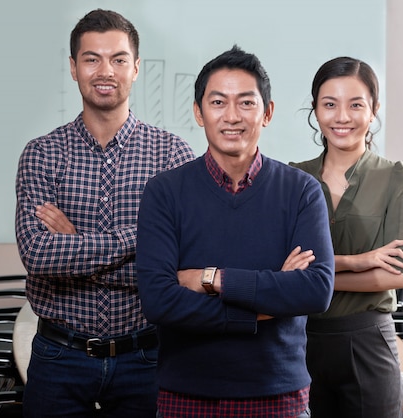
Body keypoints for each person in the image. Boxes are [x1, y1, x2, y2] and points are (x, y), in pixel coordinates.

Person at [136, 45, 335, 418]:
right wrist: (265, 303)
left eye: (246, 103)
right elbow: (158, 300)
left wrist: (211, 278)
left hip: (279, 394)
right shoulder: (164, 192)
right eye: (217, 103)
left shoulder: (301, 191)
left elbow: (315, 290)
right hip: (187, 393)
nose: (232, 117)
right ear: (198, 112)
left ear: (268, 112)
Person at [14, 9, 195, 418]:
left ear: (135, 68)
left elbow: (182, 268)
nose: (104, 71)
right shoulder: (42, 154)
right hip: (59, 356)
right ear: (74, 68)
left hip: (147, 357)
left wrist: (74, 242)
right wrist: (141, 238)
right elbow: (39, 257)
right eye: (91, 58)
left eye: (117, 59)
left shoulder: (172, 155)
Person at [290, 56, 403, 418]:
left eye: (356, 105)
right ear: (315, 110)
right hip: (298, 341)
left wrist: (315, 277)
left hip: (366, 341)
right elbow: (279, 266)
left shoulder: (399, 179)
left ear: (374, 110)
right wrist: (360, 262)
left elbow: (400, 274)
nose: (342, 117)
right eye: (329, 104)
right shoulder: (292, 180)